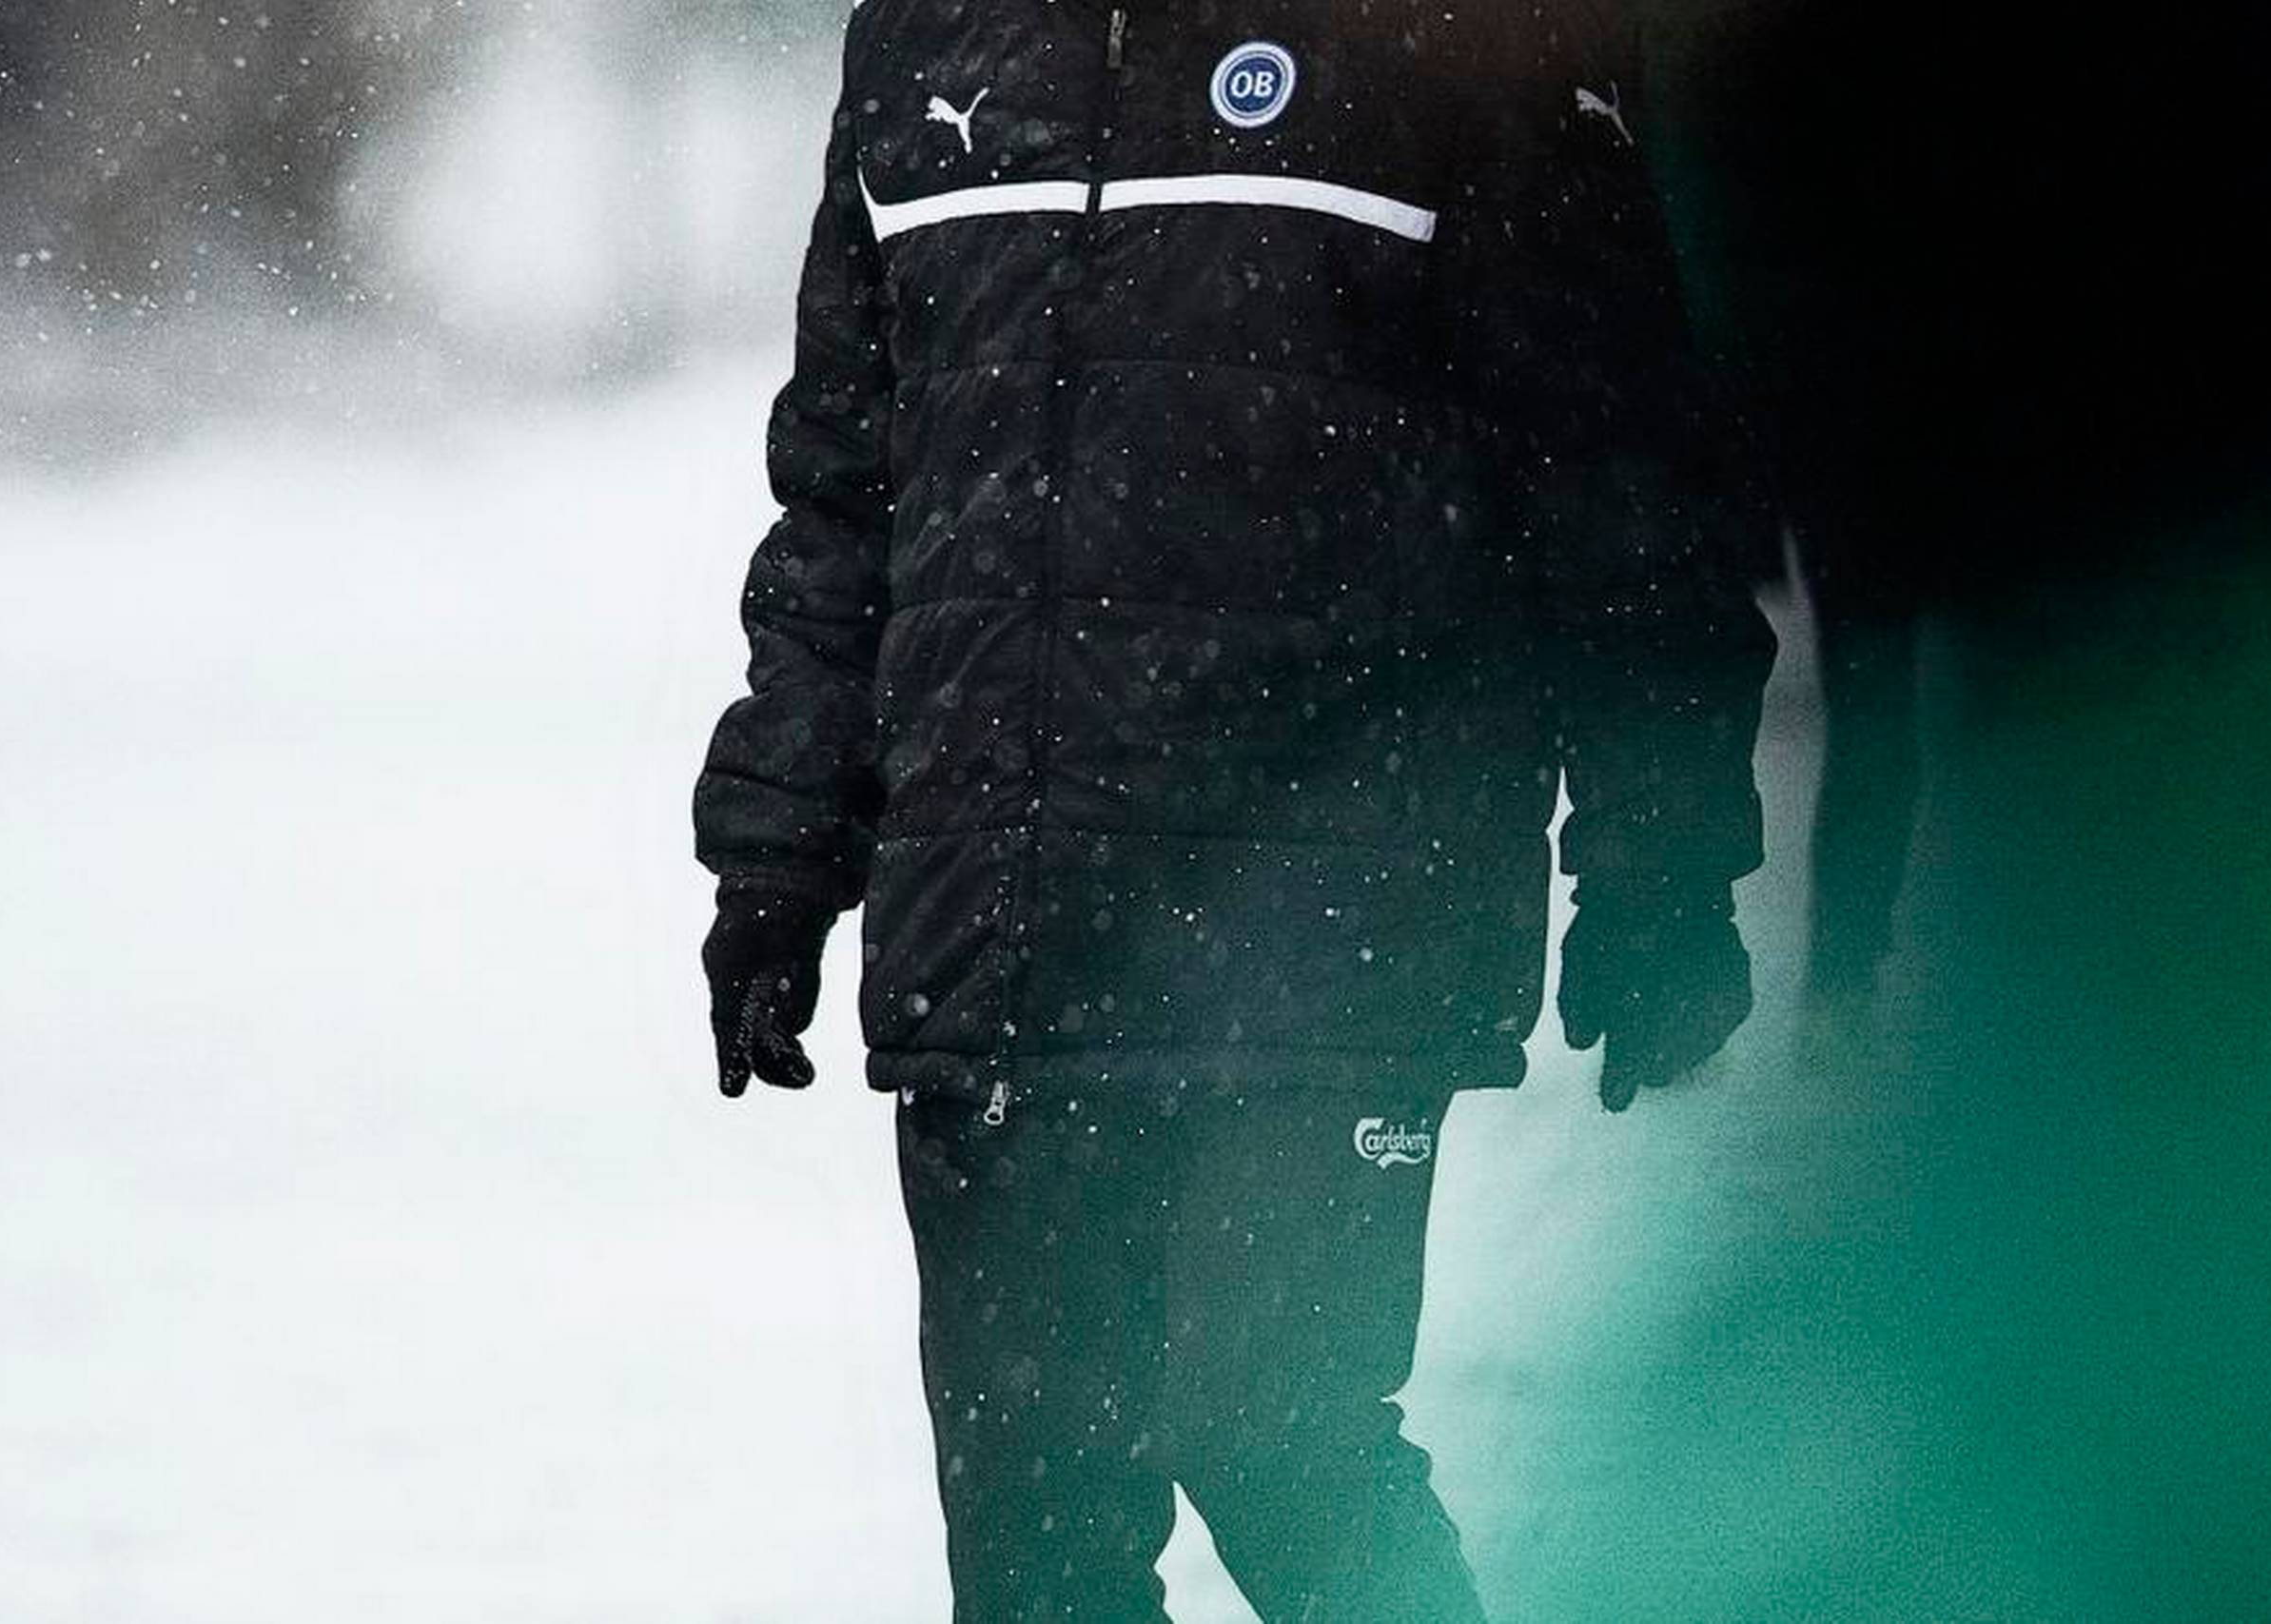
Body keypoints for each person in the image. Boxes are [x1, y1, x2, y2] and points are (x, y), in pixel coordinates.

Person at [694, 1, 1775, 1615]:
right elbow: (849, 499)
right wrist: (780, 859)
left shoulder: (1448, 42)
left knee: (1280, 1443)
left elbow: (1620, 480)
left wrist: (1664, 868)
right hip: (999, 927)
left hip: (1330, 920)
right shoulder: (925, 38)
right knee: (1032, 1537)